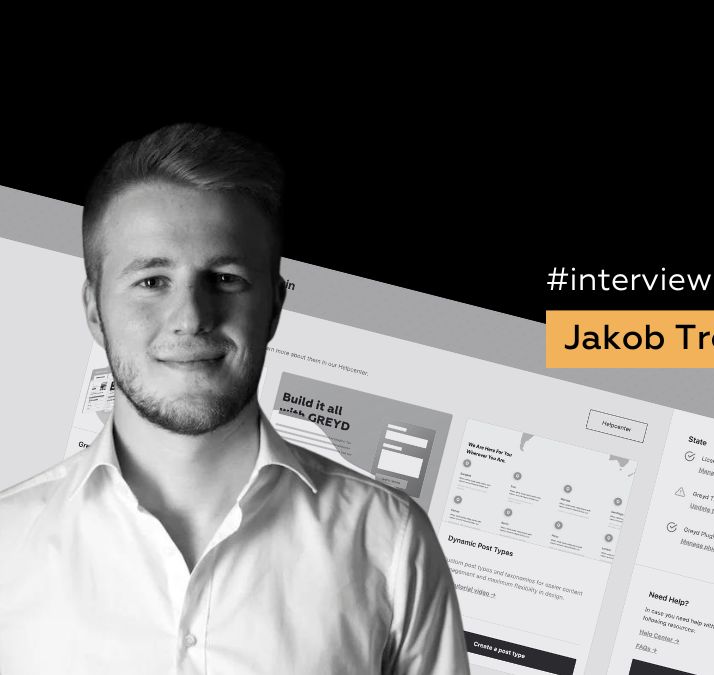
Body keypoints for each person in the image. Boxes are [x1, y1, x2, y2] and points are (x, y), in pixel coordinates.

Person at [0, 123, 470, 674]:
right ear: (93, 312)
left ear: (273, 307)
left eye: (224, 278)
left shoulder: (389, 540)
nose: (191, 318)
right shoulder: (8, 545)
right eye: (152, 281)